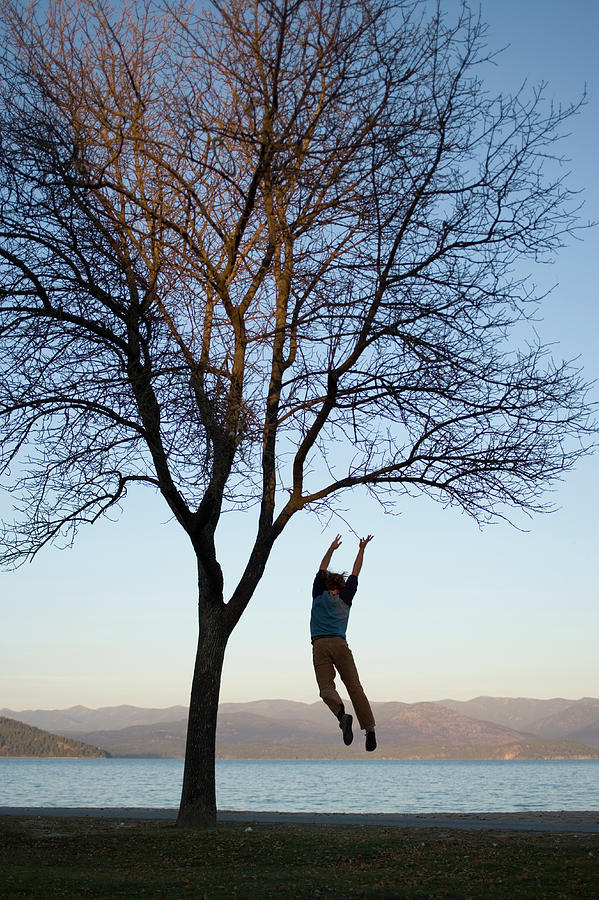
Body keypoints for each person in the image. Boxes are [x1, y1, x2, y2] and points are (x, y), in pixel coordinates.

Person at [310, 534, 377, 752]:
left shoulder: (318, 594)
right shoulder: (346, 597)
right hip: (340, 645)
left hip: (320, 646)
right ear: (342, 584)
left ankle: (341, 715)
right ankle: (370, 730)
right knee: (355, 688)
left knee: (326, 688)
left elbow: (322, 566)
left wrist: (331, 548)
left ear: (326, 583)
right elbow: (357, 571)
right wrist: (362, 549)